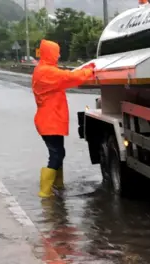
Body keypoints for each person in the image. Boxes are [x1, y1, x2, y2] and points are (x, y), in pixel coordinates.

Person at [31, 39, 96, 198]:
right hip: (49, 121)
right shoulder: (47, 72)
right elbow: (70, 78)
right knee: (57, 154)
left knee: (59, 152)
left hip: (50, 121)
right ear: (50, 54)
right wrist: (89, 70)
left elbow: (65, 76)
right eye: (57, 52)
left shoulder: (44, 70)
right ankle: (45, 192)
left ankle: (57, 186)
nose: (59, 55)